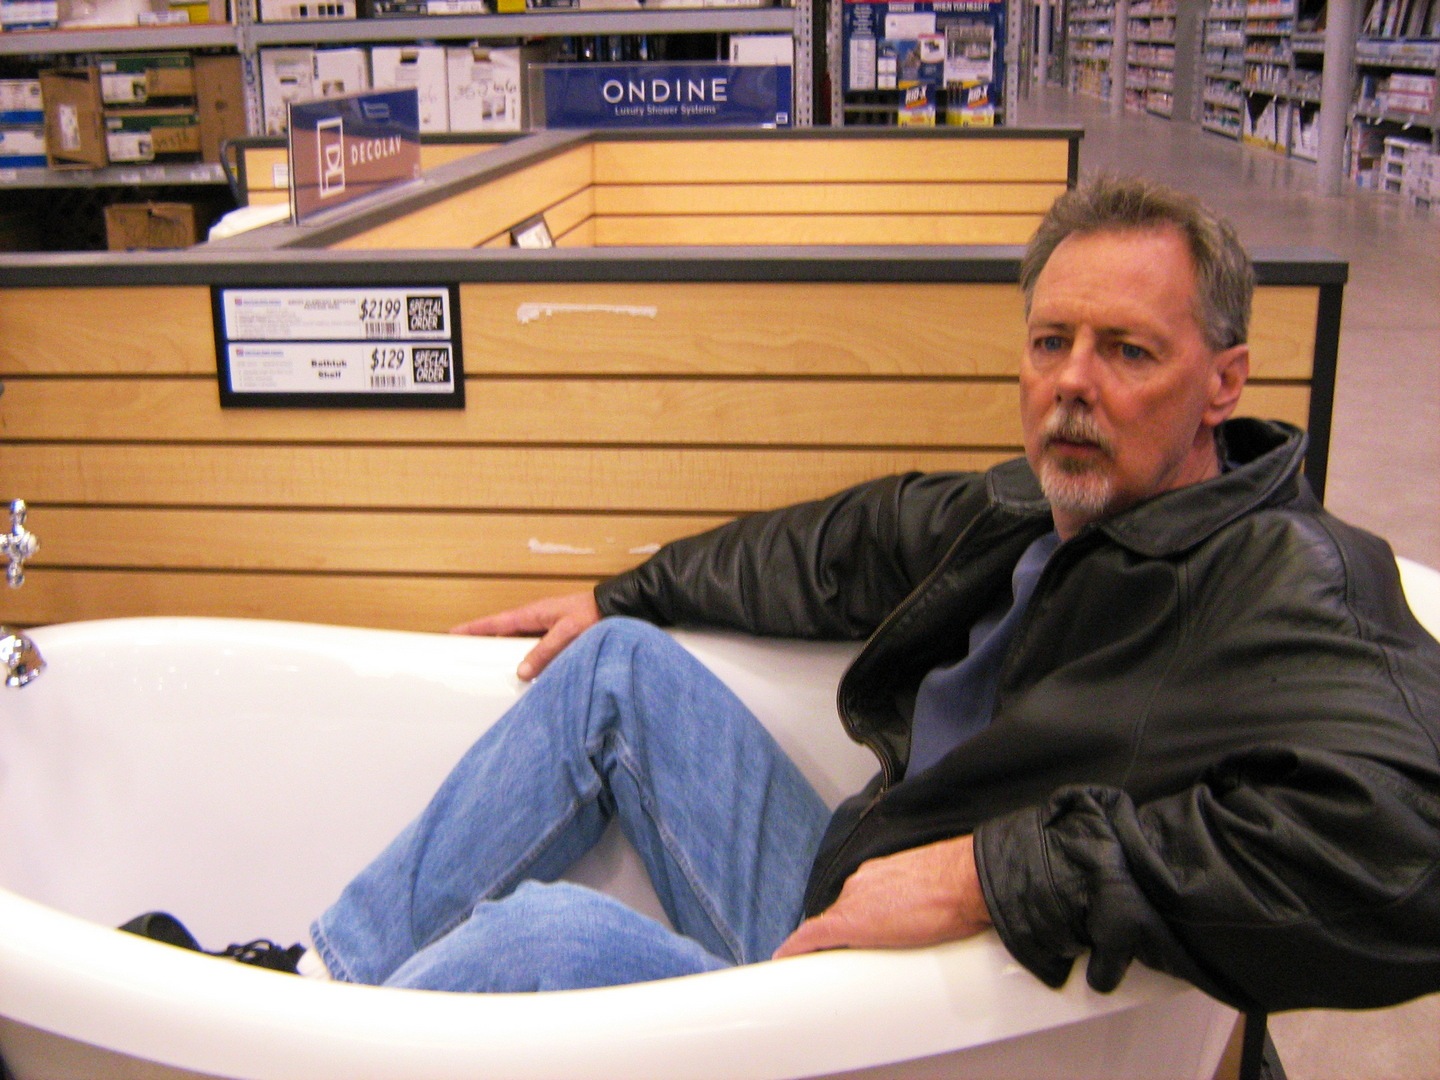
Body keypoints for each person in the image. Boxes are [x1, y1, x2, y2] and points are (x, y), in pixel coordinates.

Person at [131, 176, 1440, 1013]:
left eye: (1128, 351)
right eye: (1051, 343)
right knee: (615, 664)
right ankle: (309, 987)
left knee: (544, 943)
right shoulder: (1030, 511)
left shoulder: (1283, 576)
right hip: (849, 927)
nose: (1071, 385)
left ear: (1224, 381)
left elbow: (1411, 850)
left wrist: (986, 877)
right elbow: (841, 546)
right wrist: (626, 589)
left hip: (942, 1022)